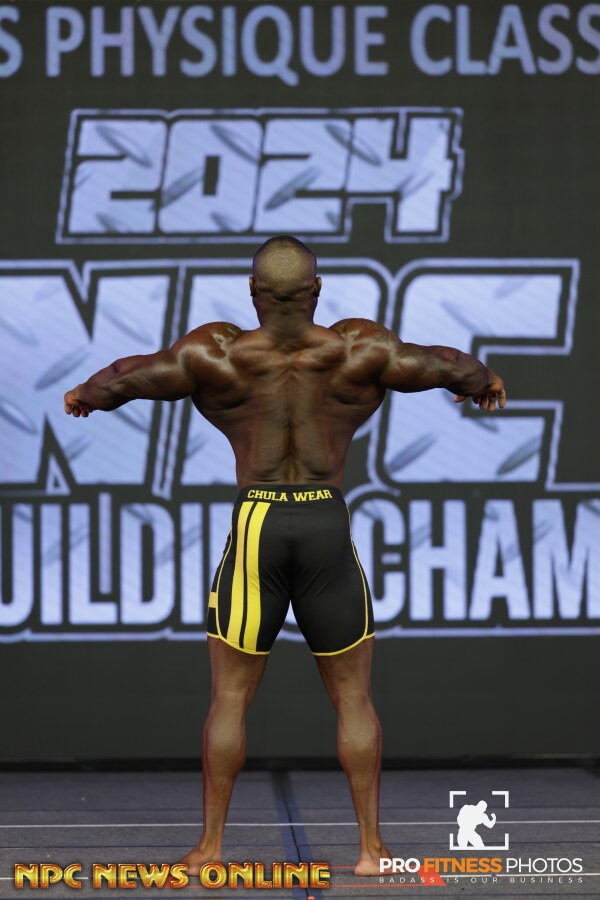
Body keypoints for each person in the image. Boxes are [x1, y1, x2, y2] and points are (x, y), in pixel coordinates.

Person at [64, 235, 506, 877]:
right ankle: (371, 851)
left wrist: (84, 394)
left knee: (230, 697)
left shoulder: (216, 353)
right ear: (317, 289)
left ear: (253, 292)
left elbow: (125, 379)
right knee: (354, 697)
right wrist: (484, 381)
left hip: (258, 525)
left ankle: (211, 849)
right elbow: (447, 365)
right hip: (326, 521)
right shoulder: (359, 348)